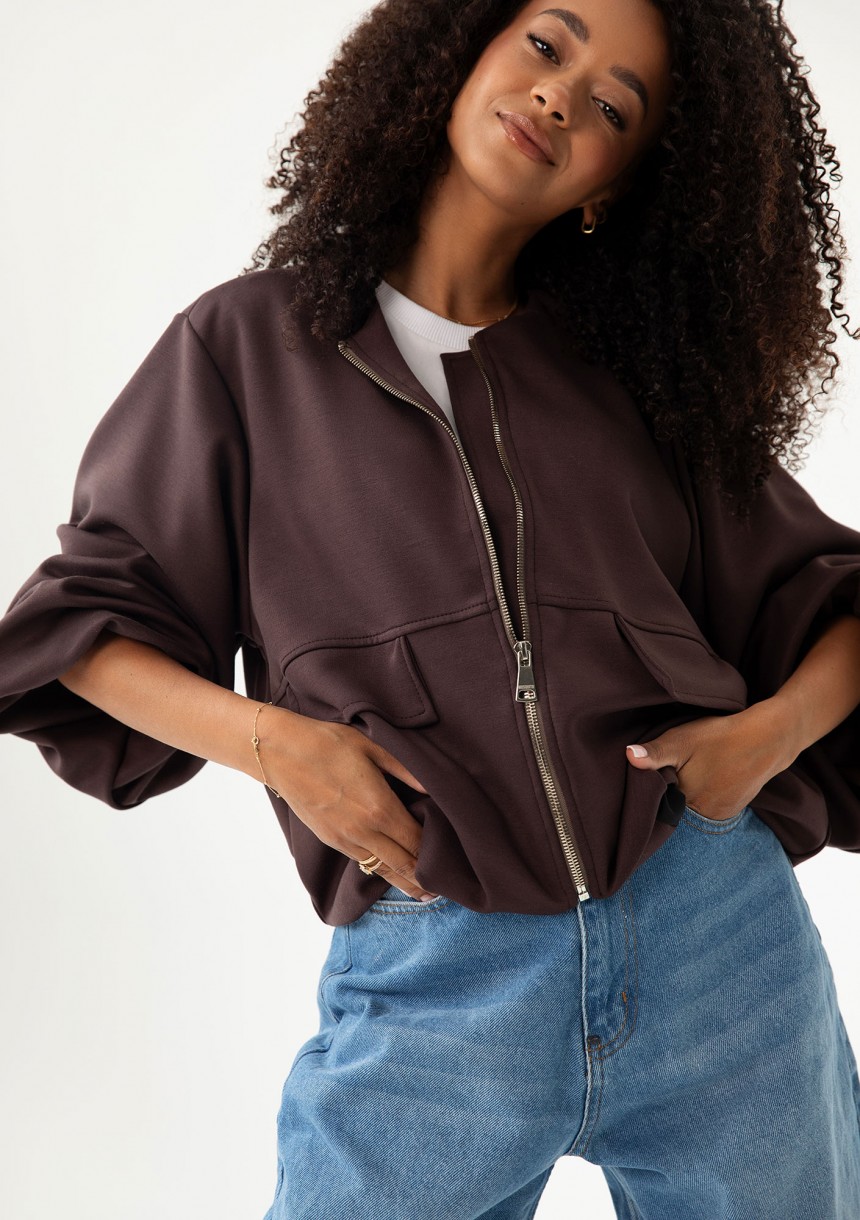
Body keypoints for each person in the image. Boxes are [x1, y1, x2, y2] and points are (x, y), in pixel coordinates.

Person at [2, 0, 860, 1215]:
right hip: (434, 964)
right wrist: (281, 745)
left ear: (610, 187)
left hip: (715, 945)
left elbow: (832, 602)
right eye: (546, 44)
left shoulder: (636, 386)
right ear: (461, 49)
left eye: (613, 107)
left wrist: (760, 741)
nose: (560, 95)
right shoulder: (244, 348)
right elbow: (78, 629)